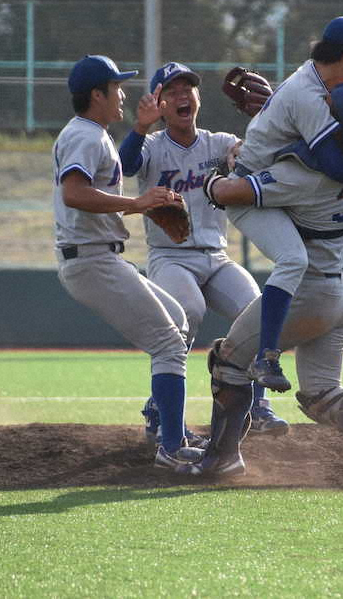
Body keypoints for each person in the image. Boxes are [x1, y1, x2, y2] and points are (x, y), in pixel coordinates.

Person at [179, 81, 343, 484]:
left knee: (228, 362)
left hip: (308, 292)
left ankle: (222, 457)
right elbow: (331, 149)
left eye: (323, 105)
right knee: (321, 393)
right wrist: (270, 115)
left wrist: (214, 176)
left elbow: (231, 191)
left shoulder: (302, 173)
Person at [215, 15, 343, 393]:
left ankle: (263, 362)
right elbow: (332, 163)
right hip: (250, 193)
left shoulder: (314, 78)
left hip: (275, 187)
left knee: (295, 259)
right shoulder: (309, 95)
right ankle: (266, 355)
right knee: (293, 259)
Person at [117, 61, 289, 437]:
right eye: (172, 92)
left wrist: (256, 132)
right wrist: (139, 126)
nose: (183, 96)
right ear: (159, 104)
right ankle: (159, 409)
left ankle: (259, 406)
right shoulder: (150, 145)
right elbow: (127, 165)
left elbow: (248, 153)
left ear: (198, 98)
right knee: (186, 313)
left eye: (188, 90)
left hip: (216, 256)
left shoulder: (218, 142)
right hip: (170, 257)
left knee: (255, 311)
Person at [52, 54, 204, 469]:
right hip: (90, 261)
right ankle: (171, 447)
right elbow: (74, 193)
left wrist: (142, 205)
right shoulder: (86, 135)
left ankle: (169, 427)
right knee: (169, 342)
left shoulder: (91, 133)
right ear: (96, 94)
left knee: (178, 320)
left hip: (99, 257)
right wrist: (137, 203)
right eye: (116, 87)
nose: (122, 94)